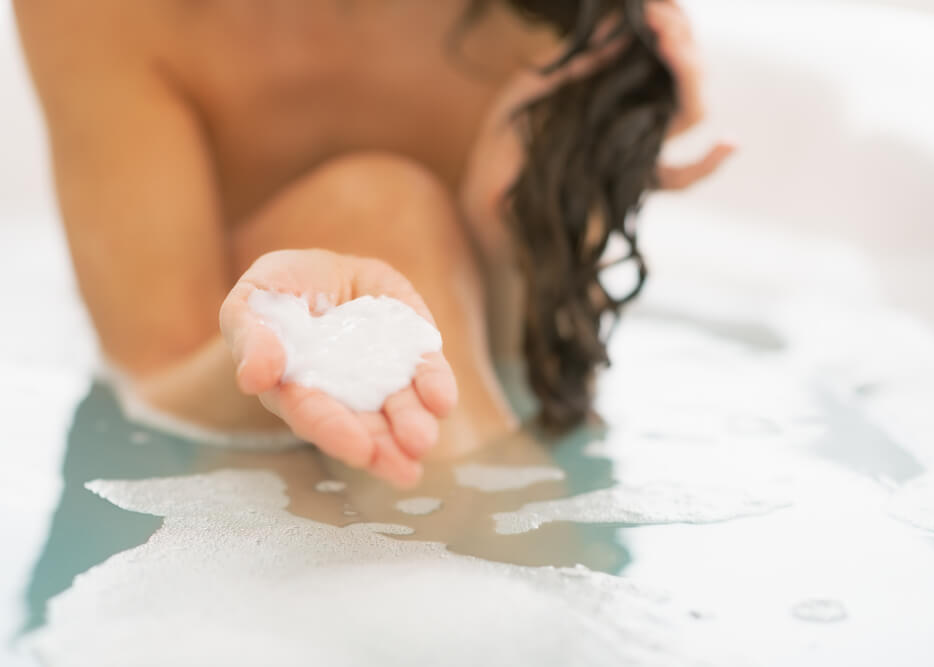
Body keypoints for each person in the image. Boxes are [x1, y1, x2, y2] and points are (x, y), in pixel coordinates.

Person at [14, 0, 734, 487]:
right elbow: (155, 376)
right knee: (379, 207)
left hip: (434, 437)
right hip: (226, 437)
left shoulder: (573, 17)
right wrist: (285, 347)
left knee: (385, 216)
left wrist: (510, 231)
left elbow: (535, 361)